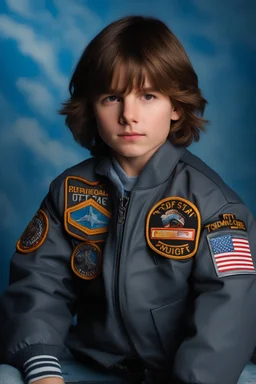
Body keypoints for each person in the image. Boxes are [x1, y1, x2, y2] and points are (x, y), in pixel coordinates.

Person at [0, 15, 255, 384]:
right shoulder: (70, 191)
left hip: (195, 372)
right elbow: (39, 283)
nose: (129, 115)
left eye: (148, 96)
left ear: (176, 107)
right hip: (97, 365)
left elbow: (230, 309)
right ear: (91, 107)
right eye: (112, 97)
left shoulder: (214, 205)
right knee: (9, 377)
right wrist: (42, 369)